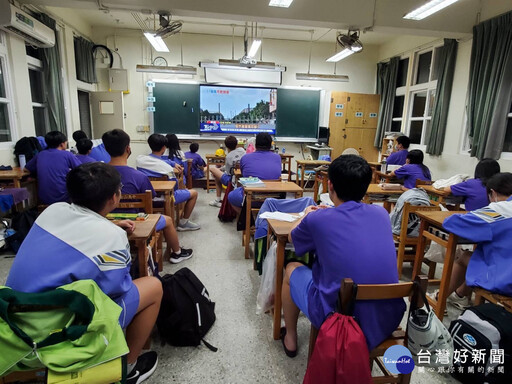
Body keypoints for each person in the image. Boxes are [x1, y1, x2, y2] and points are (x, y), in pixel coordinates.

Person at [6, 162, 161, 384]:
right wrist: (112, 232)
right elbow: (115, 290)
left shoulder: (51, 211)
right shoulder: (112, 238)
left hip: (13, 320)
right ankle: (128, 367)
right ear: (115, 197)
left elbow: (80, 224)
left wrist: (111, 224)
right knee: (153, 286)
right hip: (57, 331)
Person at [281, 155, 405, 357]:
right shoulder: (381, 214)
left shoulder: (318, 219)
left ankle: (291, 338)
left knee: (291, 269)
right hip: (386, 316)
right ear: (367, 186)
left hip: (340, 319)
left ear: (329, 185)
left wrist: (306, 214)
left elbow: (291, 237)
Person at [103, 129, 194, 263]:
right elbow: (150, 199)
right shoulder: (139, 177)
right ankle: (177, 253)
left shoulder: (98, 174)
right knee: (168, 220)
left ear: (106, 149)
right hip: (135, 223)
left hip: (105, 222)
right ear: (128, 149)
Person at [442, 172, 512, 307]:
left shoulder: (500, 209)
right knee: (478, 255)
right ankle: (460, 294)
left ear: (493, 193)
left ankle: (440, 298)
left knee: (465, 257)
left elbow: (452, 223)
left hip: (506, 281)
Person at [136, 134, 200, 232]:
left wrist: (172, 162)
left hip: (145, 197)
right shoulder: (167, 169)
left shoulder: (140, 160)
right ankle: (184, 223)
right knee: (194, 193)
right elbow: (174, 187)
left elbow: (157, 160)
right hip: (163, 199)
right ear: (164, 147)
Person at [227, 132, 281, 212]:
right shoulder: (277, 158)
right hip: (273, 198)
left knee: (231, 196)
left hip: (251, 197)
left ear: (255, 144)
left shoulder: (245, 158)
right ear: (270, 145)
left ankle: (248, 219)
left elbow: (243, 174)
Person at [25, 131, 81, 204]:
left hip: (44, 198)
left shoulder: (40, 154)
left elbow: (26, 169)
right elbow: (82, 169)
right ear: (62, 144)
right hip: (64, 198)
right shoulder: (67, 154)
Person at [209, 136, 245, 208]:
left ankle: (218, 200)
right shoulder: (243, 151)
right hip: (242, 177)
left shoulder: (229, 156)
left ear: (226, 146)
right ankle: (218, 199)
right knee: (217, 174)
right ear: (237, 143)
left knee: (213, 170)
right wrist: (221, 169)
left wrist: (219, 170)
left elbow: (228, 172)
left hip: (232, 180)